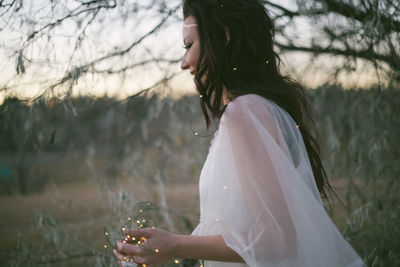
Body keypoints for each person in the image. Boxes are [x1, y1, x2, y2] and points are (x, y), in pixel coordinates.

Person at [114, 0, 365, 266]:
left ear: (224, 36)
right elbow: (240, 230)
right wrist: (161, 248)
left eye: (189, 46)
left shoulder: (245, 113)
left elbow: (279, 239)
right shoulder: (255, 110)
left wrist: (175, 245)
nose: (183, 62)